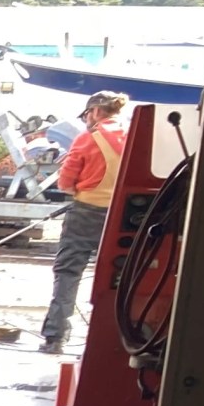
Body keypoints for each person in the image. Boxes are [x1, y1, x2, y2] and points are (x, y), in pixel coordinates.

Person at [41, 90, 131, 354]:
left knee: (69, 273)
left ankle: (56, 338)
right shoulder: (134, 137)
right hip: (124, 216)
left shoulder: (87, 139)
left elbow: (66, 183)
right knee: (123, 277)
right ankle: (116, 341)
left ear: (94, 112)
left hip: (86, 212)